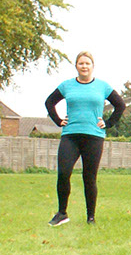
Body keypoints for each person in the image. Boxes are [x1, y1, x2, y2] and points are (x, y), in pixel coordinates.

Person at [44, 51, 126, 226]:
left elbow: (120, 105)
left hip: (94, 137)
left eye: (87, 63)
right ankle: (62, 213)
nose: (84, 66)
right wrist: (58, 121)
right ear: (76, 66)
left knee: (89, 177)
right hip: (70, 136)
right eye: (81, 63)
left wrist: (109, 123)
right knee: (63, 173)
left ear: (92, 66)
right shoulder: (67, 86)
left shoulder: (102, 87)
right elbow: (49, 102)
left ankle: (90, 217)